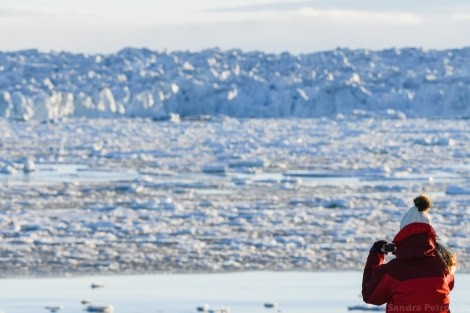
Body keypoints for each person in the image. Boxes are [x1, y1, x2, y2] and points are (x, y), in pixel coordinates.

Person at [362, 194, 457, 313]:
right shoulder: (444, 266)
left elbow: (370, 295)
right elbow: (449, 285)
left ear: (402, 234)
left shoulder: (393, 270)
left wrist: (375, 256)